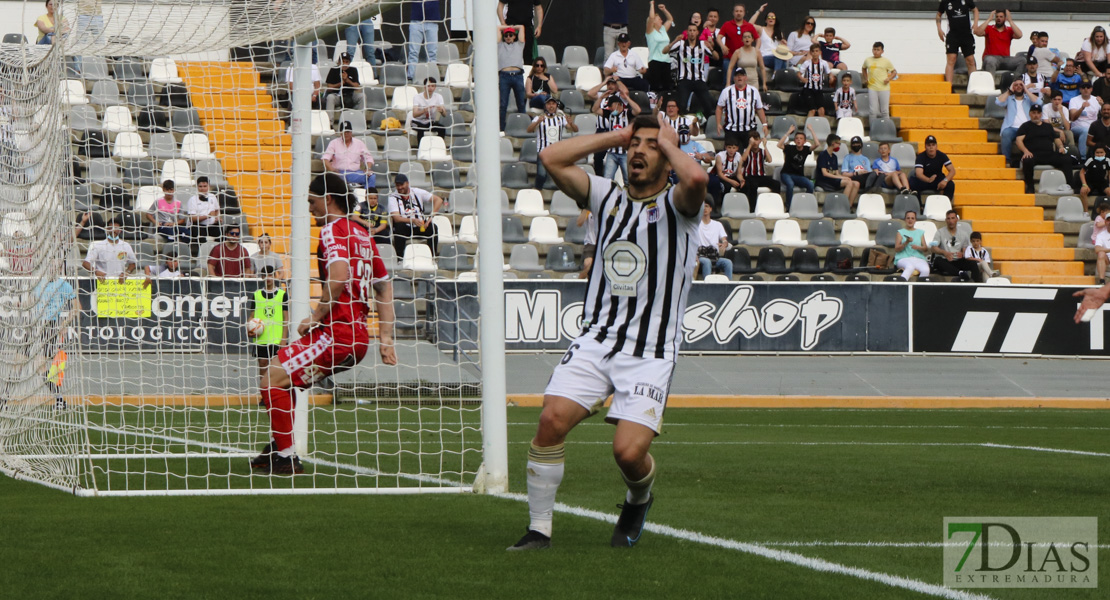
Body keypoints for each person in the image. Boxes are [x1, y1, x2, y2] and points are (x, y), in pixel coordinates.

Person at [508, 112, 706, 552]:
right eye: (635, 144)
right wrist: (618, 135)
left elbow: (694, 178)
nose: (638, 150)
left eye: (650, 145)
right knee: (550, 421)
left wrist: (668, 143)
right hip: (597, 338)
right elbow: (551, 157)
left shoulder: (680, 206)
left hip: (651, 351)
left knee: (628, 453)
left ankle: (639, 499)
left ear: (669, 155)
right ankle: (538, 530)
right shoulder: (606, 197)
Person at [252, 173, 396, 475]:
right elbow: (383, 287)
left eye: (312, 201)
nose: (310, 208)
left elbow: (340, 275)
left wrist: (315, 316)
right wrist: (386, 339)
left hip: (336, 333)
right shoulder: (363, 235)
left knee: (270, 380)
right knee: (282, 378)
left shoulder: (333, 231)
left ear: (327, 199)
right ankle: (281, 447)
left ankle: (286, 456)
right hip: (357, 337)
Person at [1016, 103, 1074, 194]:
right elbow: (1019, 140)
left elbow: (1056, 139)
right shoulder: (1025, 126)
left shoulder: (1048, 126)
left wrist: (1061, 147)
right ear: (1030, 114)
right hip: (1033, 154)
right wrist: (1025, 151)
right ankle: (1030, 186)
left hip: (1049, 154)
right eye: (1033, 113)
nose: (1036, 115)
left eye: (1038, 113)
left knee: (1066, 158)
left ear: (1041, 114)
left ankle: (1069, 185)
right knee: (1027, 160)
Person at [247, 265, 289, 383]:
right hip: (261, 337)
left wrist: (284, 338)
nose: (268, 278)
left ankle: (275, 393)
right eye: (265, 275)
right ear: (262, 277)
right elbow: (252, 316)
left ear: (274, 276)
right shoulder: (256, 295)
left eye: (270, 275)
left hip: (277, 337)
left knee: (276, 367)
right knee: (263, 365)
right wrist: (249, 327)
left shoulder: (282, 295)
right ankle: (264, 395)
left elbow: (286, 318)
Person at [388, 173, 444, 256]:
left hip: (420, 225)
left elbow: (438, 200)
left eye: (401, 185)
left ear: (407, 183)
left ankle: (432, 256)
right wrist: (412, 220)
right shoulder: (393, 197)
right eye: (397, 185)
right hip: (405, 226)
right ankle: (399, 258)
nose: (400, 187)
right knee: (399, 227)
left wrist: (430, 217)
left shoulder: (417, 192)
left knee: (433, 228)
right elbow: (396, 218)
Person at [528, 97, 578, 189]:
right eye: (549, 104)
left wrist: (571, 124)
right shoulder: (539, 118)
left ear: (556, 106)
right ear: (545, 106)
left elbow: (574, 130)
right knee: (541, 174)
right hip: (543, 151)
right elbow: (529, 130)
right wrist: (537, 122)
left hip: (556, 152)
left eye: (553, 104)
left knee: (559, 175)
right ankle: (537, 191)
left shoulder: (561, 118)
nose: (551, 106)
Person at [714, 67, 767, 150]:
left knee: (750, 153)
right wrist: (718, 123)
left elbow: (759, 108)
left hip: (749, 129)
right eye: (737, 75)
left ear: (746, 77)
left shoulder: (754, 91)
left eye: (741, 75)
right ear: (734, 78)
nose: (739, 77)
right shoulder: (726, 91)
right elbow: (719, 108)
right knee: (731, 154)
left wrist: (764, 124)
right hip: (732, 129)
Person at [670, 23, 714, 120]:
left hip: (699, 80)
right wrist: (674, 41)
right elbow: (665, 51)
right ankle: (681, 126)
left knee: (708, 105)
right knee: (681, 105)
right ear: (687, 32)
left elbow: (716, 56)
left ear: (697, 32)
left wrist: (711, 47)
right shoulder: (681, 44)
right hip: (684, 80)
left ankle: (709, 125)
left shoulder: (702, 44)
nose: (692, 33)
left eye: (694, 30)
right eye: (690, 30)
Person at [598, 93, 641, 182]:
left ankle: (628, 195)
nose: (609, 108)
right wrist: (601, 97)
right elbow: (595, 109)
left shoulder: (628, 113)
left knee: (628, 180)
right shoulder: (609, 114)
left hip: (625, 153)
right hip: (612, 153)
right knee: (607, 180)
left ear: (618, 104)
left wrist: (627, 98)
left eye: (611, 106)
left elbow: (638, 110)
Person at [322, 121, 376, 188]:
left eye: (348, 132)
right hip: (339, 173)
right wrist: (332, 170)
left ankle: (367, 196)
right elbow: (325, 159)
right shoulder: (334, 143)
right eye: (344, 132)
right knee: (337, 179)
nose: (346, 134)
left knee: (371, 176)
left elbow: (368, 157)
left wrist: (368, 168)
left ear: (351, 132)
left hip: (355, 173)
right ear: (340, 133)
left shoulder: (359, 143)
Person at [929, 210, 979, 281]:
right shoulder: (940, 232)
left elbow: (965, 250)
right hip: (945, 260)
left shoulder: (963, 234)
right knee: (938, 261)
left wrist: (962, 254)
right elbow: (933, 248)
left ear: (957, 219)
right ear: (946, 220)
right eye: (948, 218)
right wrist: (944, 253)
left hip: (957, 260)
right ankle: (960, 273)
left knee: (973, 263)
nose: (950, 221)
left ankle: (977, 284)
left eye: (953, 218)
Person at [937, 0, 979, 83]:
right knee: (951, 59)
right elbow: (938, 14)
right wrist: (939, 29)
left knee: (970, 60)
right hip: (953, 35)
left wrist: (975, 23)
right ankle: (949, 86)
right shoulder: (945, 2)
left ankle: (973, 85)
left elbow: (975, 10)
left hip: (966, 34)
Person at [777, 123, 817, 209]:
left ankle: (806, 204)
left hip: (798, 175)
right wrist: (788, 132)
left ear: (805, 141)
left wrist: (811, 130)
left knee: (810, 185)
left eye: (801, 139)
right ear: (794, 141)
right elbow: (779, 145)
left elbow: (817, 144)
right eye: (797, 138)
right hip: (786, 174)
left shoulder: (806, 149)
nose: (799, 140)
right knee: (790, 184)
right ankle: (789, 206)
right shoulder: (790, 148)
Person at [994, 79, 1032, 166]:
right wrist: (1009, 92)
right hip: (1011, 127)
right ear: (1013, 87)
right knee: (1006, 133)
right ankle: (1006, 160)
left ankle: (1030, 158)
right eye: (1016, 85)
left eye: (1021, 85)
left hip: (1026, 127)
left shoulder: (1028, 99)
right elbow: (998, 102)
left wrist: (1026, 90)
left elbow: (1039, 102)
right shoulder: (1009, 99)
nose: (1018, 86)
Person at [498, 25, 527, 132]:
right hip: (504, 76)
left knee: (521, 103)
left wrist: (512, 27)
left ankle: (523, 126)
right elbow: (497, 28)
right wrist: (507, 27)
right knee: (503, 104)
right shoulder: (500, 45)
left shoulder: (519, 45)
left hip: (518, 75)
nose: (508, 37)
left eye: (511, 35)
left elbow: (522, 27)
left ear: (515, 36)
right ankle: (502, 128)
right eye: (506, 35)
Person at [910, 135, 957, 200]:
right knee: (912, 183)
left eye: (933, 145)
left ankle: (946, 207)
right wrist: (928, 180)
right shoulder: (920, 157)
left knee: (950, 184)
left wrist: (945, 181)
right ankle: (918, 207)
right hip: (924, 180)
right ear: (925, 147)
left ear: (936, 146)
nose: (931, 147)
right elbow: (919, 174)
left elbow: (952, 171)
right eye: (929, 145)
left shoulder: (942, 155)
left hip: (937, 180)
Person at [323, 52, 365, 124]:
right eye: (342, 61)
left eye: (346, 62)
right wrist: (340, 84)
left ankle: (360, 121)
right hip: (337, 96)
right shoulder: (333, 70)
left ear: (349, 63)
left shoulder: (353, 70)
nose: (344, 63)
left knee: (362, 96)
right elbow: (329, 87)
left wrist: (347, 80)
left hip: (350, 95)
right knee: (330, 97)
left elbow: (357, 87)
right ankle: (330, 123)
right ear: (339, 62)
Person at [816, 134, 859, 203]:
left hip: (833, 180)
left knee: (856, 183)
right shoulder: (823, 155)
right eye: (838, 144)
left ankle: (849, 206)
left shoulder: (834, 157)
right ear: (833, 143)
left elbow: (836, 173)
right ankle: (842, 206)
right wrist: (841, 178)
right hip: (824, 181)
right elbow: (825, 173)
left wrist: (843, 177)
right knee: (848, 183)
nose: (839, 146)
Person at [739, 130, 779, 205]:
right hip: (749, 176)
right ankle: (752, 209)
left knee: (776, 184)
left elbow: (769, 160)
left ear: (760, 140)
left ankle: (775, 204)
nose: (755, 142)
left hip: (761, 176)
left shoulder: (762, 151)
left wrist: (765, 146)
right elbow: (743, 159)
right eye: (753, 140)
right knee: (753, 186)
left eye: (757, 140)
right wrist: (750, 145)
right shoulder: (746, 150)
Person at [719, 4, 761, 71]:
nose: (738, 13)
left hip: (745, 58)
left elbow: (758, 39)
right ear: (733, 13)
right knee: (728, 79)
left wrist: (756, 50)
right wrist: (722, 46)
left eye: (741, 11)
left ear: (744, 13)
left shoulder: (749, 26)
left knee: (745, 80)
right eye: (737, 11)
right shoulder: (727, 24)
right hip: (729, 58)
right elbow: (719, 37)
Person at [697, 201, 733, 279]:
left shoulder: (717, 224)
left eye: (706, 206)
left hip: (714, 256)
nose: (704, 209)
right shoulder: (696, 224)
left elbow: (724, 240)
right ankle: (708, 286)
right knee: (706, 262)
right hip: (701, 255)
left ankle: (729, 286)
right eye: (702, 207)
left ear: (710, 209)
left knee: (728, 263)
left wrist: (724, 244)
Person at [406, 0, 440, 81]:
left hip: (432, 21)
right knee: (413, 52)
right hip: (416, 21)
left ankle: (432, 78)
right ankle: (411, 77)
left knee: (432, 53)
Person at [862, 42, 897, 119]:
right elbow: (864, 68)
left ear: (882, 51)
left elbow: (894, 72)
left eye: (878, 50)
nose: (876, 51)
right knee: (873, 111)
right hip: (872, 87)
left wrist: (889, 78)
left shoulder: (886, 61)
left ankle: (886, 128)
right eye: (874, 49)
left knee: (884, 111)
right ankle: (873, 129)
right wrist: (866, 78)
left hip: (884, 88)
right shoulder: (868, 60)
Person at [644, 2, 674, 94]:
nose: (661, 20)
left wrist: (664, 9)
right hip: (655, 61)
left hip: (666, 61)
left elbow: (670, 19)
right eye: (659, 19)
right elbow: (651, 17)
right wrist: (652, 4)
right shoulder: (650, 32)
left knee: (666, 86)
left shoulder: (663, 30)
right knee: (656, 87)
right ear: (654, 22)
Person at [186, 176, 221, 254]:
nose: (203, 188)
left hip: (211, 225)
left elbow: (216, 209)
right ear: (197, 187)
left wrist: (216, 217)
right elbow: (192, 219)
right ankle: (202, 254)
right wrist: (207, 216)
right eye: (200, 186)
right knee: (200, 236)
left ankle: (218, 253)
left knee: (221, 232)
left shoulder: (212, 197)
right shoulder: (193, 199)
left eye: (205, 186)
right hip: (198, 226)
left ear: (209, 186)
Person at [146, 179, 188, 243]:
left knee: (187, 233)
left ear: (174, 190)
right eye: (167, 190)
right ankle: (170, 251)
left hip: (173, 225)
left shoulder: (178, 203)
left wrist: (174, 223)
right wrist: (155, 222)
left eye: (171, 189)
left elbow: (182, 219)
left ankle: (184, 251)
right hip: (162, 225)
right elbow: (148, 214)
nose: (169, 192)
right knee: (171, 235)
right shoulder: (158, 201)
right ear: (163, 190)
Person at [894, 210, 930, 281]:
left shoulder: (920, 232)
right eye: (908, 218)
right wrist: (906, 242)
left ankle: (920, 289)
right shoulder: (900, 232)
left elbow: (925, 249)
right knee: (910, 267)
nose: (910, 220)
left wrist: (918, 247)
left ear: (915, 220)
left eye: (912, 218)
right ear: (905, 220)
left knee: (926, 270)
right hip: (903, 258)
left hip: (918, 258)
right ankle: (901, 285)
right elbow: (897, 249)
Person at [708, 136, 743, 208]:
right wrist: (731, 181)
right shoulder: (720, 156)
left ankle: (740, 206)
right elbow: (720, 174)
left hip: (731, 176)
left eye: (734, 148)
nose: (731, 150)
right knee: (727, 186)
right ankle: (721, 206)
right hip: (719, 177)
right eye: (729, 147)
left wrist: (741, 180)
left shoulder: (739, 156)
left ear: (737, 148)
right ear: (726, 147)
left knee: (745, 185)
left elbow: (739, 173)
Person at [1069, 81, 1101, 158]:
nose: (1086, 89)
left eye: (1088, 87)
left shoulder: (1096, 100)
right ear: (1080, 89)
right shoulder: (1074, 100)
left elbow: (1105, 115)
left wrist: (1102, 104)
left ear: (1091, 89)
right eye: (1083, 87)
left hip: (1093, 128)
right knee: (1085, 131)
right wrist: (1082, 108)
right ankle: (1083, 158)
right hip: (1077, 128)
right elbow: (1072, 118)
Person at [796, 44, 829, 117]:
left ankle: (822, 126)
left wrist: (832, 78)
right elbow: (798, 74)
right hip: (809, 89)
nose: (815, 53)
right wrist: (803, 79)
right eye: (813, 51)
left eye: (817, 51)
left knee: (821, 109)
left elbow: (829, 73)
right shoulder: (807, 63)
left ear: (820, 52)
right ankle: (808, 126)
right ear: (810, 53)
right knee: (812, 110)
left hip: (819, 89)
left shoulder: (824, 63)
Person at [749, 4, 786, 71]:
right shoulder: (761, 29)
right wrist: (759, 11)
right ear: (766, 20)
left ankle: (778, 77)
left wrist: (784, 45)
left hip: (777, 57)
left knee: (783, 61)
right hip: (764, 57)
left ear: (775, 20)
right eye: (769, 17)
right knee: (779, 58)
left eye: (773, 17)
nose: (771, 18)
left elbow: (780, 49)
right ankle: (776, 75)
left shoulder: (779, 33)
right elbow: (749, 25)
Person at [411, 78, 447, 143]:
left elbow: (445, 114)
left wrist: (442, 111)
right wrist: (424, 110)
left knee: (442, 129)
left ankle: (438, 146)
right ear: (424, 87)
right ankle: (420, 149)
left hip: (430, 122)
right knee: (421, 129)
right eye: (428, 86)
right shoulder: (417, 97)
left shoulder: (438, 97)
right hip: (417, 122)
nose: (430, 88)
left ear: (435, 87)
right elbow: (414, 114)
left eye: (432, 86)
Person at [1080, 146, 1110, 213]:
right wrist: (1084, 184)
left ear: (1105, 153)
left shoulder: (1107, 160)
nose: (1099, 154)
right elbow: (1081, 172)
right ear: (1094, 153)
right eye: (1097, 153)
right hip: (1090, 182)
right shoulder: (1090, 160)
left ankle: (1107, 213)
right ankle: (1086, 212)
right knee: (1083, 191)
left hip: (1102, 182)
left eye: (1101, 152)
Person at [576, 208, 597, 279]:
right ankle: (579, 281)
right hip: (591, 242)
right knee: (588, 264)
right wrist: (585, 209)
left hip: (603, 241)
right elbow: (579, 223)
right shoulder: (588, 210)